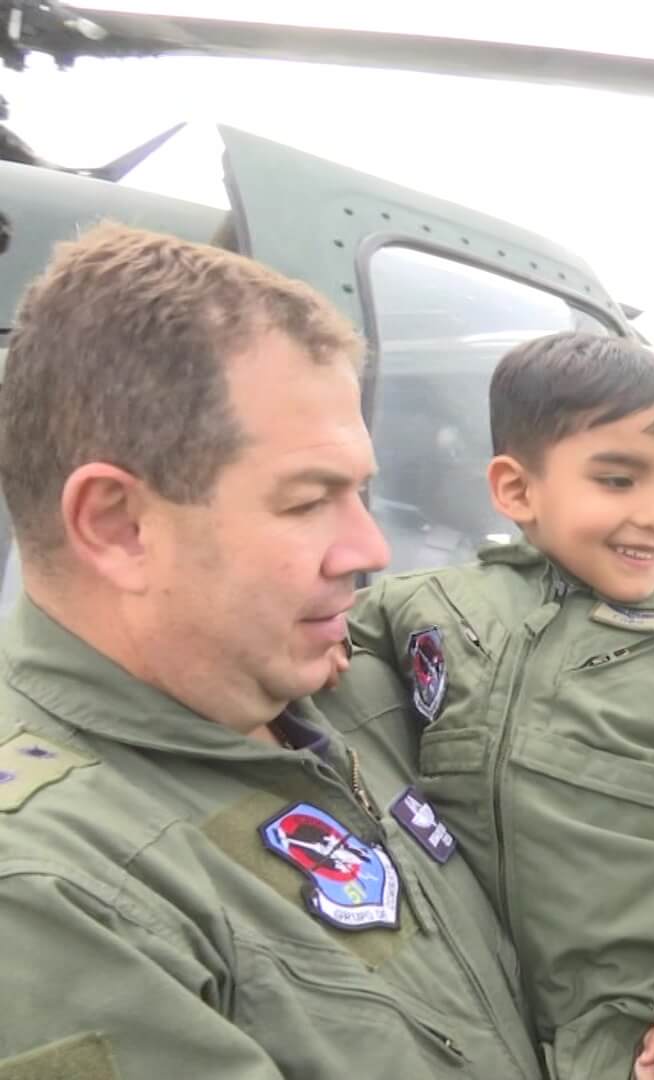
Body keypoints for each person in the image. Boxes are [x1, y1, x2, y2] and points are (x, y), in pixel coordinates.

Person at [0, 222, 544, 1076]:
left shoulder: (328, 685)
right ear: (118, 524)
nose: (369, 550)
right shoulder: (50, 893)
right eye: (306, 502)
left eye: (362, 493)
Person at [340, 331, 654, 1080]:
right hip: (460, 1021)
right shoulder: (424, 609)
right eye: (619, 479)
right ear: (516, 489)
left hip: (641, 1037)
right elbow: (303, 664)